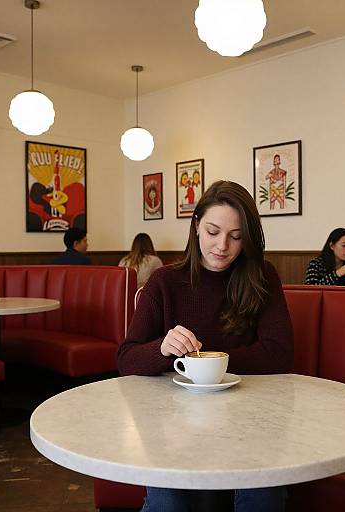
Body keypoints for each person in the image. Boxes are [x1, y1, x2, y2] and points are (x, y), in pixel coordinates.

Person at [117, 180, 293, 512]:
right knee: (167, 501)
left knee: (263, 497)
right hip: (173, 422)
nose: (222, 246)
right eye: (213, 231)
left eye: (236, 236)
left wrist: (210, 364)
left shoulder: (262, 276)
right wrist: (162, 349)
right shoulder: (165, 282)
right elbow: (126, 357)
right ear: (196, 224)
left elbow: (279, 353)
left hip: (251, 419)